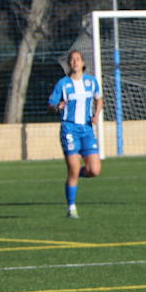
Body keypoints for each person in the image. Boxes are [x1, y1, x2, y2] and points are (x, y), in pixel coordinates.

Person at [48, 49, 102, 219]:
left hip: (86, 129)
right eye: (72, 60)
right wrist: (57, 106)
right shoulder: (63, 84)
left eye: (78, 59)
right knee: (73, 166)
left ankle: (75, 172)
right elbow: (51, 102)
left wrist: (96, 114)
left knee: (95, 170)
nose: (75, 62)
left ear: (83, 63)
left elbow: (99, 98)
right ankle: (71, 208)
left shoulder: (91, 82)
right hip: (69, 129)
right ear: (69, 64)